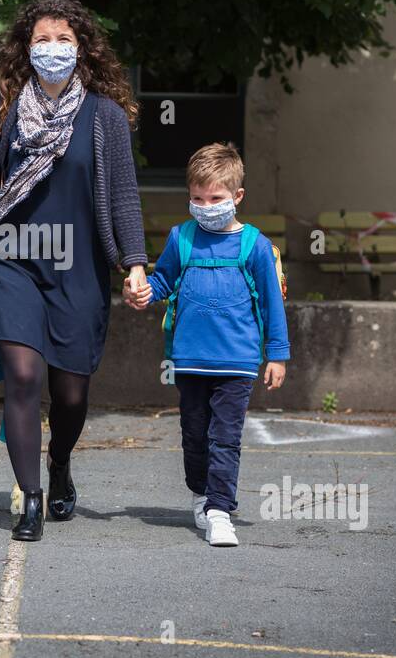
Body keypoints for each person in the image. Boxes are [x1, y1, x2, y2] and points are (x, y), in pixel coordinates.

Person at [0, 0, 149, 542]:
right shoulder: (4, 112)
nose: (52, 48)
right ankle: (30, 498)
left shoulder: (103, 117)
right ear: (25, 49)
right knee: (24, 375)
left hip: (78, 266)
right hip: (7, 260)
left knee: (72, 395)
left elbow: (125, 196)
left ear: (81, 49)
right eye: (42, 40)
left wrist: (134, 263)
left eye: (63, 39)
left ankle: (59, 463)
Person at [124, 143, 290, 546]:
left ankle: (220, 509)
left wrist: (278, 355)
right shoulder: (182, 238)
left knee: (225, 438)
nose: (205, 205)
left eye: (215, 198)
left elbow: (271, 302)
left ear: (237, 197)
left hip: (238, 363)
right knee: (194, 434)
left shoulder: (255, 246)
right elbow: (163, 281)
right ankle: (200, 492)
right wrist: (143, 292)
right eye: (197, 198)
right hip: (189, 361)